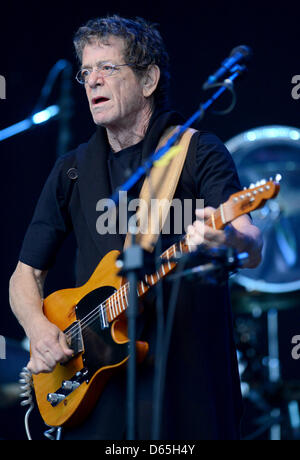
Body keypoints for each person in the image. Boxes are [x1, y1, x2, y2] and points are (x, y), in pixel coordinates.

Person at [9, 15, 262, 440]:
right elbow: (25, 275)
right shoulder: (70, 171)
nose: (92, 81)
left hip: (186, 385)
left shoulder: (196, 152)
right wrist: (39, 331)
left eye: (107, 68)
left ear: (148, 80)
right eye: (86, 71)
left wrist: (230, 237)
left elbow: (251, 243)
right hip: (95, 391)